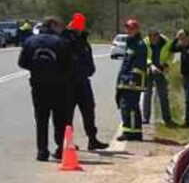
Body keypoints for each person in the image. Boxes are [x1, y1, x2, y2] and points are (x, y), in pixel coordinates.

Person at [18, 16, 73, 161]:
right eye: (59, 26)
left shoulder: (30, 41)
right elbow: (69, 65)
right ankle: (61, 149)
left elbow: (22, 63)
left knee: (41, 119)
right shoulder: (61, 42)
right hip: (59, 86)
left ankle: (42, 151)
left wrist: (36, 69)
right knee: (59, 119)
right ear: (53, 25)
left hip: (38, 86)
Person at [63, 12, 109, 151]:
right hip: (69, 82)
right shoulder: (66, 40)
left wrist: (89, 69)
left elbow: (87, 58)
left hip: (83, 81)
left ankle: (92, 140)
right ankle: (67, 142)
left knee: (89, 110)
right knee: (67, 114)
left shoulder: (83, 39)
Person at [115, 18, 147, 141]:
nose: (128, 30)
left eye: (131, 28)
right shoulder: (131, 42)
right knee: (126, 106)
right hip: (125, 79)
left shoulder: (139, 44)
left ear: (136, 29)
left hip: (132, 81)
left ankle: (131, 133)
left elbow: (139, 65)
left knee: (129, 106)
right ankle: (132, 131)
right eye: (127, 28)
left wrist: (133, 79)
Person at [142, 27, 176, 126]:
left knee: (163, 95)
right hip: (148, 69)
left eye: (155, 36)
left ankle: (167, 119)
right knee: (147, 94)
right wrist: (150, 65)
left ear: (158, 35)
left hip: (161, 70)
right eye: (150, 36)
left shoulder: (167, 42)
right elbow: (143, 56)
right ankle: (145, 118)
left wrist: (166, 65)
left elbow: (171, 56)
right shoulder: (145, 42)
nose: (153, 38)